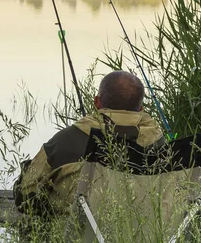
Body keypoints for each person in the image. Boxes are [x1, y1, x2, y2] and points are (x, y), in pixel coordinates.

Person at [14, 70, 166, 217]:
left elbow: (25, 197)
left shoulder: (67, 139)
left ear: (96, 102)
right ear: (140, 108)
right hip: (144, 232)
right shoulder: (159, 142)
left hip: (78, 234)